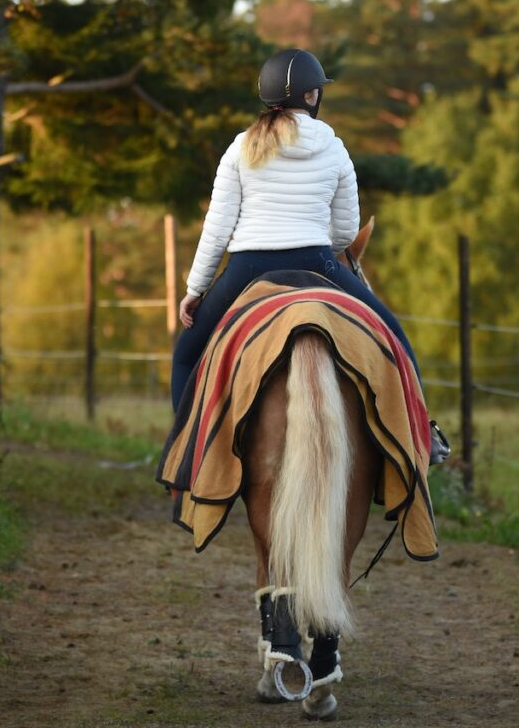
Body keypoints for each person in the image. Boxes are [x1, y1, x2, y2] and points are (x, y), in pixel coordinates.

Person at [171, 48, 450, 464]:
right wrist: (322, 248)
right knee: (394, 339)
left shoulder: (240, 147)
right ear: (310, 97)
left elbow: (217, 229)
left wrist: (196, 289)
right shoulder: (334, 146)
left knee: (187, 353)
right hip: (316, 262)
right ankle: (423, 439)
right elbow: (344, 228)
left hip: (247, 268)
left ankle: (189, 453)